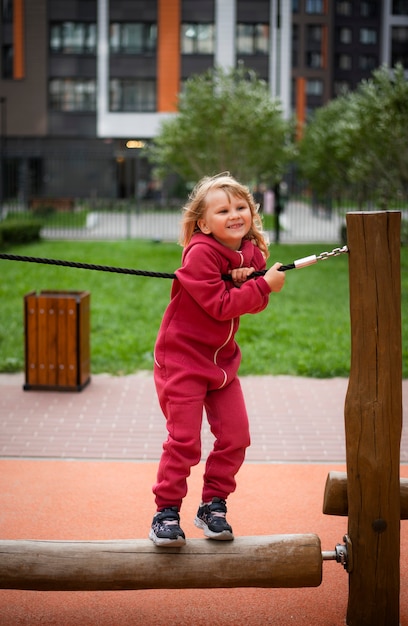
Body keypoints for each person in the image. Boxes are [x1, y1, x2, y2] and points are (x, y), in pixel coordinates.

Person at [149, 172, 286, 547]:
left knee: (236, 436)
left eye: (240, 206)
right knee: (185, 440)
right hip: (182, 361)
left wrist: (250, 282)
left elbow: (255, 302)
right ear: (203, 223)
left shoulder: (251, 252)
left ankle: (213, 505)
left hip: (222, 365)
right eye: (222, 210)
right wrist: (257, 285)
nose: (234, 214)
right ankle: (165, 512)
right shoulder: (199, 253)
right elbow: (220, 305)